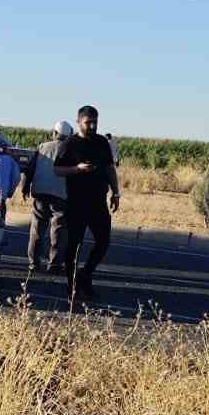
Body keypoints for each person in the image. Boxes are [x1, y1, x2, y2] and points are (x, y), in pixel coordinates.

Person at [56, 105, 121, 307]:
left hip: (98, 202)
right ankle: (72, 286)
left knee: (103, 241)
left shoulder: (102, 142)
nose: (92, 126)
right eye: (88, 122)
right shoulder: (69, 144)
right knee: (74, 245)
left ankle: (85, 275)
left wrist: (115, 192)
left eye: (95, 122)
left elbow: (110, 168)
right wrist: (77, 169)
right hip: (76, 202)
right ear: (79, 121)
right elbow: (57, 169)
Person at [21, 121, 71, 275]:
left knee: (37, 228)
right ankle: (54, 264)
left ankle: (33, 264)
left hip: (40, 192)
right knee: (59, 229)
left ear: (54, 133)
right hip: (61, 195)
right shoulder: (71, 150)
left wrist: (25, 187)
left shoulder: (42, 147)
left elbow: (29, 170)